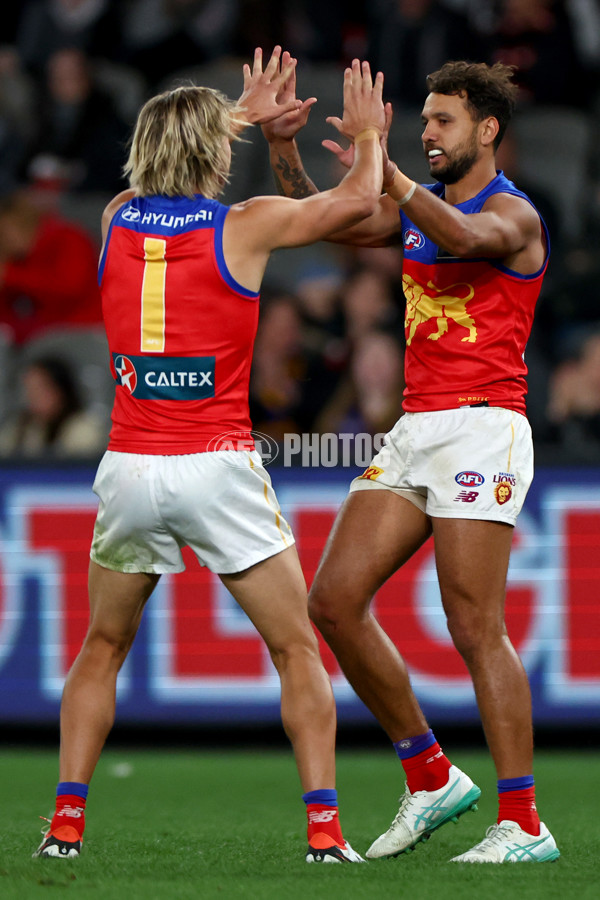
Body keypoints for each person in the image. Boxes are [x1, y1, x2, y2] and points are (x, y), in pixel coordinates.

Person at [33, 45, 385, 864]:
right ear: (215, 152)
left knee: (101, 648)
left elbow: (173, 149)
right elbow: (360, 203)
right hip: (217, 463)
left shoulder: (116, 216)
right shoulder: (246, 223)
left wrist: (236, 114)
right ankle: (326, 834)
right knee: (297, 647)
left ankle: (66, 826)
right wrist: (364, 135)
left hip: (128, 467)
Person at [262, 57, 560, 863]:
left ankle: (525, 823)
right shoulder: (423, 213)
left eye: (441, 121)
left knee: (473, 624)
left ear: (487, 130)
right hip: (417, 428)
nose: (425, 133)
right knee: (333, 602)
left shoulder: (515, 217)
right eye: (421, 121)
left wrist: (380, 164)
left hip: (481, 426)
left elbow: (465, 237)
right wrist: (282, 149)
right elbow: (320, 218)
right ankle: (430, 775)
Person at [0, 355, 107, 458]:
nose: (32, 396)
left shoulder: (82, 430)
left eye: (39, 388)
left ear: (61, 390)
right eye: (28, 389)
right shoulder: (18, 430)